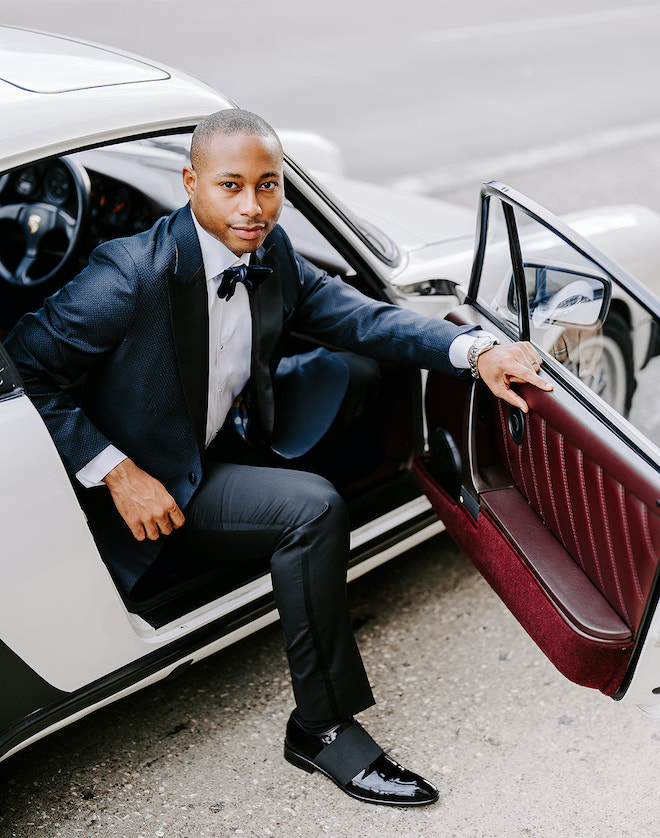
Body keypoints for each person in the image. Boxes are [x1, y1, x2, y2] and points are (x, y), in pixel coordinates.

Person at [5, 110, 552, 807]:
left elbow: (362, 318)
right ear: (189, 183)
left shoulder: (272, 252)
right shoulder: (129, 275)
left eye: (269, 186)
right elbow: (25, 364)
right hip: (155, 482)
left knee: (353, 367)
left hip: (224, 433)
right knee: (313, 509)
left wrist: (476, 351)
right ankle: (321, 731)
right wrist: (117, 471)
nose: (252, 206)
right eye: (231, 185)